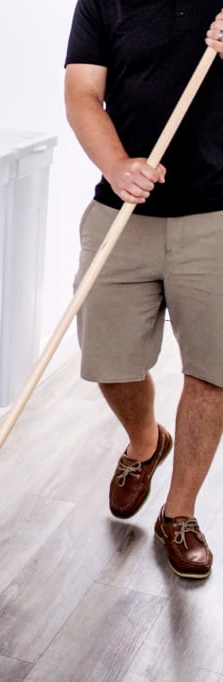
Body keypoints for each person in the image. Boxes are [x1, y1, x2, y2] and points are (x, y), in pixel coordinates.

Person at [64, 2, 223, 579]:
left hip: (217, 216)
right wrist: (116, 165)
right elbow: (82, 91)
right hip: (122, 211)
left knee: (214, 370)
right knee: (109, 360)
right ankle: (145, 441)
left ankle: (178, 514)